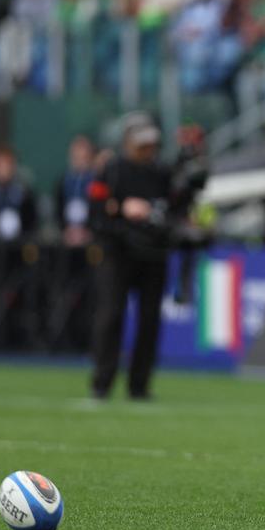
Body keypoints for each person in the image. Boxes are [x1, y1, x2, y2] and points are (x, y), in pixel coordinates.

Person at [88, 113, 172, 400]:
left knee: (150, 320)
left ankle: (140, 384)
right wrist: (123, 209)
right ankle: (102, 381)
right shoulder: (111, 170)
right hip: (118, 253)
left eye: (151, 145)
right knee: (111, 315)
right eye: (142, 145)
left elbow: (171, 210)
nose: (148, 150)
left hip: (153, 254)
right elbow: (96, 212)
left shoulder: (162, 173)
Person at [0, 147, 38, 242]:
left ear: (13, 165)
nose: (1, 169)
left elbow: (31, 221)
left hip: (20, 247)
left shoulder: (24, 192)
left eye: (4, 164)